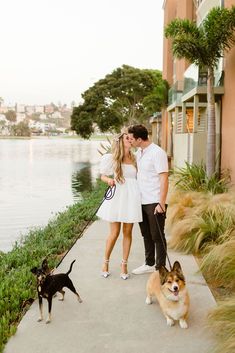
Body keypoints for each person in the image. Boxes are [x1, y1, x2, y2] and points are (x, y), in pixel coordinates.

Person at [97, 131, 142, 280]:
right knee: (114, 233)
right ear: (121, 142)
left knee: (127, 233)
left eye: (131, 138)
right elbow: (102, 175)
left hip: (132, 198)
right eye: (127, 138)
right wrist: (108, 180)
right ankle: (105, 262)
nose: (130, 140)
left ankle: (124, 264)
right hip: (118, 197)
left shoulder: (135, 158)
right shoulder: (113, 158)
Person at [127, 124, 169, 274]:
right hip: (141, 201)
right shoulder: (139, 152)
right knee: (146, 234)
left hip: (154, 201)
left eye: (131, 138)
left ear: (139, 139)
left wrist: (161, 203)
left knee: (158, 235)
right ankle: (149, 263)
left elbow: (164, 178)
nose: (129, 141)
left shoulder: (157, 153)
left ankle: (160, 268)